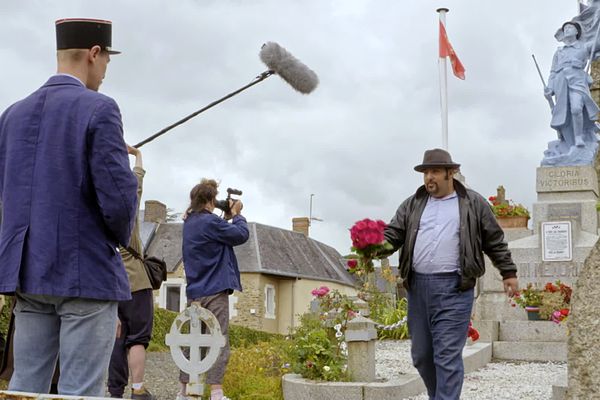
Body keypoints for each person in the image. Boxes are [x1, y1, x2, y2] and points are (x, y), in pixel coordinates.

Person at [0, 19, 138, 396]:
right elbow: (119, 202)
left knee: (25, 388)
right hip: (84, 274)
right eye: (108, 59)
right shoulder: (101, 109)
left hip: (29, 274)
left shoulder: (11, 115)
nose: (106, 71)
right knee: (80, 392)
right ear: (95, 54)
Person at [383, 149, 518, 400]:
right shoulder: (413, 203)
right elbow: (393, 235)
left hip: (455, 287)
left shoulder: (473, 203)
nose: (428, 178)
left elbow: (495, 240)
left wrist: (508, 272)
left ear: (451, 173)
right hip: (418, 287)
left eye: (434, 172)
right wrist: (372, 247)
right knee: (422, 356)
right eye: (425, 173)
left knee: (446, 356)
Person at [178, 179, 249, 400]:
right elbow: (240, 234)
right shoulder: (210, 223)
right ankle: (216, 392)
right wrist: (237, 215)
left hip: (195, 292)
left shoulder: (190, 222)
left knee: (193, 340)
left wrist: (224, 217)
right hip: (215, 290)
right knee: (219, 339)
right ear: (210, 200)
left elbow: (215, 231)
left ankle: (184, 391)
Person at [108, 146, 155, 400]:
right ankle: (137, 390)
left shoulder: (97, 214)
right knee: (137, 338)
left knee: (116, 340)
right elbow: (135, 185)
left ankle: (114, 392)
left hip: (108, 285)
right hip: (136, 283)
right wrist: (136, 155)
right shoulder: (126, 211)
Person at [543, 21, 600, 162]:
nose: (567, 29)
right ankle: (568, 142)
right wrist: (549, 87)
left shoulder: (583, 47)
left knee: (576, 108)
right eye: (565, 28)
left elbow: (597, 42)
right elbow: (553, 71)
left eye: (570, 27)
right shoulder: (559, 52)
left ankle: (579, 137)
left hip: (577, 81)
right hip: (561, 83)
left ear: (577, 32)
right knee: (564, 113)